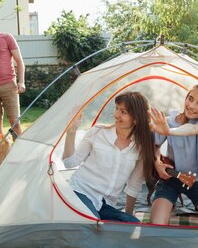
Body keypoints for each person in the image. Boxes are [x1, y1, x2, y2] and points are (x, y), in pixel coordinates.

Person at [63, 91, 155, 222]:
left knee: (133, 224)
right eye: (117, 109)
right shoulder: (98, 132)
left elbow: (134, 184)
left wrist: (129, 216)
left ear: (136, 119)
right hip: (81, 191)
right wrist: (71, 132)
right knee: (92, 222)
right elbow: (69, 163)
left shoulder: (141, 146)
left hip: (106, 203)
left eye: (123, 112)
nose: (116, 115)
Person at [149, 84, 198, 228]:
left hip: (197, 182)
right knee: (156, 225)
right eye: (190, 99)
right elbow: (155, 146)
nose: (191, 105)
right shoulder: (169, 121)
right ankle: (170, 203)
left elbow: (190, 129)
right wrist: (157, 162)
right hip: (170, 179)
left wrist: (169, 131)